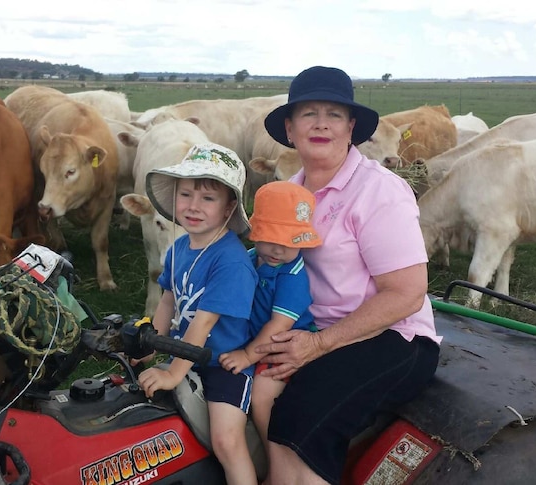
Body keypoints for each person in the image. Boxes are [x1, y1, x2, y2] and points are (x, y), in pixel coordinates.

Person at [256, 66, 442, 485]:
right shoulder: (292, 190)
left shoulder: (379, 190)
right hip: (311, 325)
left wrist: (318, 345)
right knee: (246, 384)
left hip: (392, 335)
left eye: (334, 114)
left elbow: (407, 293)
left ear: (351, 127)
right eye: (308, 114)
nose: (321, 123)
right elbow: (269, 258)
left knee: (301, 418)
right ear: (289, 128)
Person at [138, 142, 260, 485]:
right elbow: (167, 302)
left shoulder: (230, 260)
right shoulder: (179, 248)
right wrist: (150, 343)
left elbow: (205, 322)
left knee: (226, 440)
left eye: (207, 198)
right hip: (182, 351)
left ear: (228, 208)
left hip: (223, 363)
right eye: (186, 194)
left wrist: (174, 374)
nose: (193, 206)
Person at [218, 181, 321, 452]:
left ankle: (273, 455)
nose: (278, 250)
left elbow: (279, 325)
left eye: (289, 243)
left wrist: (248, 356)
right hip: (252, 338)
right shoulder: (250, 259)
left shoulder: (293, 277)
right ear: (255, 232)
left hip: (282, 347)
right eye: (271, 239)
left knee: (262, 395)